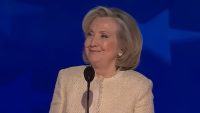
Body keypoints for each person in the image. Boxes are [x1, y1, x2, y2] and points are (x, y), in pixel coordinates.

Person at [49, 6, 154, 113]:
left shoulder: (139, 86)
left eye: (104, 36)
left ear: (122, 46)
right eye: (90, 34)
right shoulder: (66, 78)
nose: (93, 42)